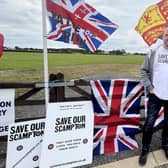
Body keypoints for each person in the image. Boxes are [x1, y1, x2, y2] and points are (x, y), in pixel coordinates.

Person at [139, 27, 168, 166]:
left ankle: (166, 145)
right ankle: (145, 149)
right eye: (167, 35)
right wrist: (149, 87)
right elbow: (143, 71)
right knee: (149, 123)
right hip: (155, 95)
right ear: (163, 35)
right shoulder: (153, 51)